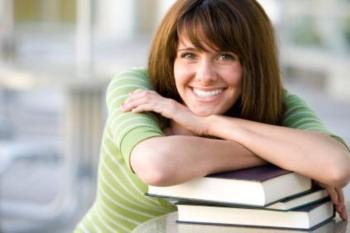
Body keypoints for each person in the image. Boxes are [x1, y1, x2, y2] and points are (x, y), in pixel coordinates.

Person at [75, 0, 350, 232]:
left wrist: (209, 125)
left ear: (253, 62)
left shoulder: (279, 104)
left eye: (225, 56)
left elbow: (336, 166)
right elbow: (158, 165)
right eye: (189, 55)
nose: (205, 76)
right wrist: (286, 154)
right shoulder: (137, 87)